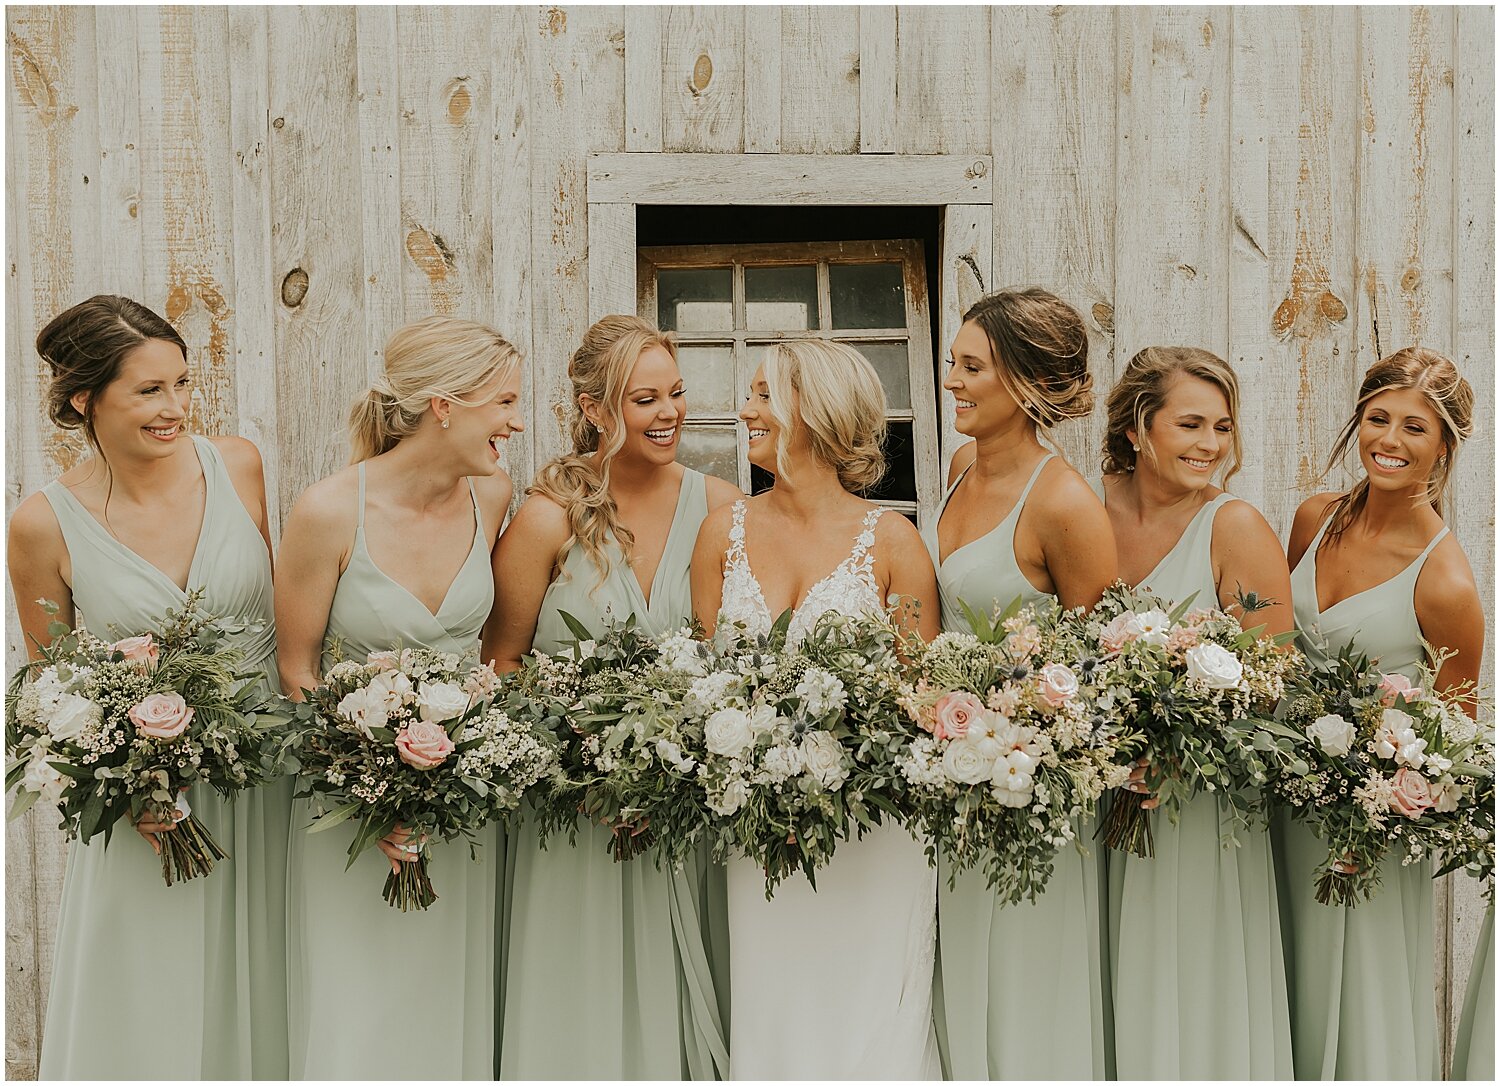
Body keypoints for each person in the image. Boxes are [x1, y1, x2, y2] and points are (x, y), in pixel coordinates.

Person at [8, 295, 287, 1078]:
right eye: (149, 391)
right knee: (150, 991)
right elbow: (52, 688)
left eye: (182, 384)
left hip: (269, 774)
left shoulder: (237, 465)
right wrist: (133, 790)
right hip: (151, 797)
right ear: (81, 399)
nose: (176, 409)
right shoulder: (42, 524)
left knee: (269, 977)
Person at [485, 314, 739, 1079]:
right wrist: (579, 764)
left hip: (685, 805)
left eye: (676, 395)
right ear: (596, 410)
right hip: (574, 812)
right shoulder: (544, 516)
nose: (669, 415)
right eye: (644, 400)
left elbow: (734, 659)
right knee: (579, 994)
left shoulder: (723, 504)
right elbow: (501, 668)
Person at [275, 316, 522, 1079]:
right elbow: (297, 670)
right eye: (504, 403)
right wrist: (374, 787)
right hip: (348, 808)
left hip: (459, 803)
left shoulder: (494, 493)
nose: (516, 422)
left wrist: (448, 768)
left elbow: (486, 656)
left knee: (443, 998)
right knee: (361, 1003)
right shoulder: (327, 511)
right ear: (444, 405)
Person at [690, 338, 942, 1079]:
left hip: (872, 835)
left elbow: (918, 702)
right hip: (757, 834)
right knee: (774, 1013)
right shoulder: (720, 535)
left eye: (765, 395)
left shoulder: (894, 541)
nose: (746, 410)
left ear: (817, 410)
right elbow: (703, 687)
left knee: (866, 1025)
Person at [922, 289, 1117, 1078]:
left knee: (1026, 984)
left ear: (1028, 382)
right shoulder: (962, 465)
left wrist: (1024, 740)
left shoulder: (1065, 502)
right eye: (952, 364)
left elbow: (1098, 669)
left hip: (1029, 797)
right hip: (950, 777)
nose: (951, 382)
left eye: (972, 368)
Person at [1275, 346, 1483, 1080]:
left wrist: (1379, 810)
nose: (1389, 441)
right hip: (1276, 800)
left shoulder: (1447, 581)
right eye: (1378, 418)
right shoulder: (1313, 519)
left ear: (1447, 443)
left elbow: (1452, 741)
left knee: (1356, 985)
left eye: (1415, 428)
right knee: (1281, 975)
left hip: (1367, 829)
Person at [1096, 346, 1295, 1078]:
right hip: (1097, 790)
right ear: (1136, 429)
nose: (1210, 445)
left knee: (1186, 982)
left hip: (1194, 803)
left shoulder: (1234, 524)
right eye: (1189, 424)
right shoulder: (1082, 507)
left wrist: (1181, 746)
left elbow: (1276, 677)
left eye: (1222, 426)